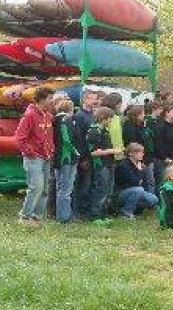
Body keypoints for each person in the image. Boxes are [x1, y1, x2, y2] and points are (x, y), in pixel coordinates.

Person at [15, 86, 58, 227]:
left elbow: (49, 136)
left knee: (45, 189)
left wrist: (51, 150)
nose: (52, 101)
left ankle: (36, 218)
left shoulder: (47, 115)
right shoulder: (29, 115)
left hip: (46, 157)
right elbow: (20, 138)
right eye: (50, 98)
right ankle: (25, 217)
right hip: (34, 158)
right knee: (36, 187)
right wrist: (31, 152)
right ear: (42, 99)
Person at [85, 106, 124, 221]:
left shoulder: (105, 130)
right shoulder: (94, 131)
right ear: (103, 118)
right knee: (101, 190)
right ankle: (95, 216)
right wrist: (112, 151)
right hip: (100, 165)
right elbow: (92, 152)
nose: (110, 121)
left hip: (109, 163)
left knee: (108, 191)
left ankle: (103, 215)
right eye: (109, 118)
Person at [73, 89, 100, 218]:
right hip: (85, 156)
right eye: (91, 98)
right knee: (83, 184)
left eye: (95, 98)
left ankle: (88, 209)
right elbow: (79, 139)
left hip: (94, 155)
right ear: (84, 99)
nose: (94, 101)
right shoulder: (79, 116)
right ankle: (79, 211)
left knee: (91, 184)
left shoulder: (94, 115)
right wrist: (83, 158)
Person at [52, 99, 80, 224]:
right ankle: (64, 217)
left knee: (61, 188)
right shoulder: (66, 120)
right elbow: (66, 140)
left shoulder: (55, 120)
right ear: (70, 109)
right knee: (66, 189)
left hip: (59, 157)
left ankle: (63, 214)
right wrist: (76, 152)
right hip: (66, 158)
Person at [114, 143, 159, 219]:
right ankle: (126, 212)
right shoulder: (123, 165)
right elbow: (135, 181)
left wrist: (139, 172)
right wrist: (139, 170)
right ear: (131, 153)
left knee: (154, 199)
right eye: (140, 152)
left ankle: (133, 210)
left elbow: (141, 182)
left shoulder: (138, 164)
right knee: (138, 189)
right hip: (120, 193)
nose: (142, 154)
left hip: (134, 191)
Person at [122, 104, 156, 194]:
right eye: (142, 113)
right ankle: (147, 200)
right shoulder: (129, 127)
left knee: (150, 181)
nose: (144, 115)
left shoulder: (140, 125)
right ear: (136, 115)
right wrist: (140, 161)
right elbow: (132, 145)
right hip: (139, 159)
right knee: (146, 182)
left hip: (147, 157)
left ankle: (149, 199)